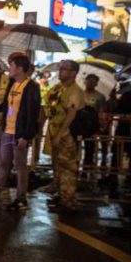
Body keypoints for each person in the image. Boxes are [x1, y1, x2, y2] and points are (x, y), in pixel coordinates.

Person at [0, 52, 41, 210]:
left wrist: (26, 136)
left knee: (20, 166)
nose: (9, 68)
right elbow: (5, 106)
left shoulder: (32, 87)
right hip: (7, 130)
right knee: (3, 163)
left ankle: (21, 198)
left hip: (19, 133)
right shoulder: (12, 84)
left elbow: (32, 113)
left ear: (20, 68)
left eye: (12, 65)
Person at [43, 60, 85, 212]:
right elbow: (48, 104)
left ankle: (68, 201)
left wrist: (60, 135)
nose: (60, 71)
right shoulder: (58, 88)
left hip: (66, 135)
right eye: (60, 69)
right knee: (57, 166)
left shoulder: (75, 91)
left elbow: (71, 115)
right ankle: (61, 195)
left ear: (73, 73)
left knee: (67, 168)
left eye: (64, 69)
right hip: (55, 132)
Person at [81, 73, 106, 174]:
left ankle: (87, 170)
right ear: (85, 81)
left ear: (96, 83)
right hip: (79, 124)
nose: (90, 82)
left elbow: (102, 112)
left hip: (92, 126)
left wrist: (100, 128)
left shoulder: (100, 97)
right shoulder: (79, 93)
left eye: (93, 81)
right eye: (89, 80)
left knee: (89, 148)